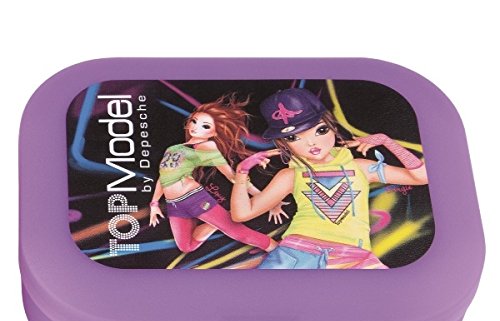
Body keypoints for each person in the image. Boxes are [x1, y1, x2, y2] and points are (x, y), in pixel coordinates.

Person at [230, 88, 428, 269]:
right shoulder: (290, 175)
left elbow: (422, 177)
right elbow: (241, 214)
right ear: (283, 143)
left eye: (320, 130)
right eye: (293, 137)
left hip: (355, 258)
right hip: (298, 255)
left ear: (332, 126)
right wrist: (241, 172)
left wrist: (387, 142)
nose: (311, 143)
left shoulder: (361, 167)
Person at [149, 95, 286, 254]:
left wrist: (267, 200)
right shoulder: (172, 149)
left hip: (194, 198)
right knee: (186, 246)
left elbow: (232, 176)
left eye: (205, 126)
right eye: (194, 121)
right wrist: (154, 203)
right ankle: (218, 220)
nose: (196, 127)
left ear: (214, 132)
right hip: (174, 204)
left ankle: (278, 250)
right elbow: (163, 177)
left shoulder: (207, 146)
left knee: (236, 232)